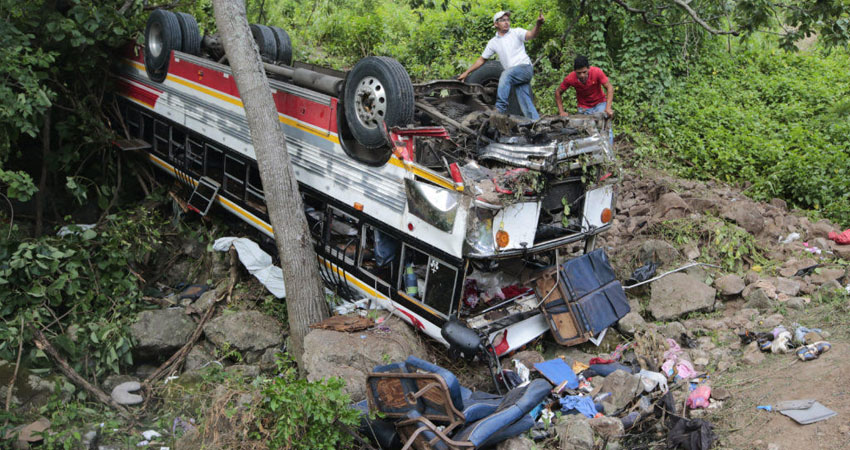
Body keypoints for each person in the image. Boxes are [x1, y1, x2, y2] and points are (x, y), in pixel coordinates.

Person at [458, 11, 544, 120]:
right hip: (515, 75)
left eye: (507, 20)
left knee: (506, 74)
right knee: (525, 102)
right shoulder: (493, 42)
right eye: (503, 20)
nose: (506, 22)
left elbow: (532, 35)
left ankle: (500, 108)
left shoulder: (516, 32)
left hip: (524, 68)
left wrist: (538, 24)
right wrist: (466, 73)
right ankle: (536, 122)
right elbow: (481, 60)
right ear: (496, 24)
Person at [555, 55, 614, 146]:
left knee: (605, 127)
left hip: (599, 103)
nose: (582, 75)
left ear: (588, 69)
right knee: (584, 132)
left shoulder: (597, 72)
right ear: (575, 71)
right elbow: (558, 92)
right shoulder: (570, 78)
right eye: (579, 73)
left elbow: (609, 87)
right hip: (583, 107)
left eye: (584, 72)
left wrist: (608, 108)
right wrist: (561, 111)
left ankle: (608, 150)